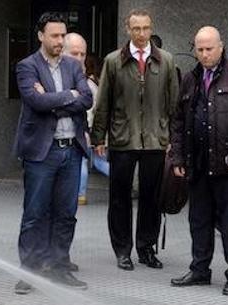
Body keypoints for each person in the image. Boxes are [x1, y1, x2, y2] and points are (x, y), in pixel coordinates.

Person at [169, 26, 228, 296]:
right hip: (197, 164)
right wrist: (178, 156)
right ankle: (200, 270)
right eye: (200, 49)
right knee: (199, 220)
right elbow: (177, 120)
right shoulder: (190, 78)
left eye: (210, 48)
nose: (205, 54)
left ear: (221, 47)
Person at [91, 8, 179, 272]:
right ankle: (122, 249)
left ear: (151, 29)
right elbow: (103, 101)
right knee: (119, 197)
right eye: (136, 29)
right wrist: (98, 136)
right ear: (128, 30)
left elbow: (173, 104)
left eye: (146, 28)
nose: (142, 34)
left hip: (155, 140)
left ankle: (146, 248)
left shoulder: (166, 60)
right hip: (122, 138)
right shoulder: (113, 61)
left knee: (151, 197)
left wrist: (173, 138)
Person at [13, 13, 92, 294]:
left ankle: (60, 268)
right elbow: (35, 101)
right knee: (34, 214)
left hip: (71, 151)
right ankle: (30, 272)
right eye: (54, 36)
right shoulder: (27, 66)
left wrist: (55, 100)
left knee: (66, 214)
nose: (60, 41)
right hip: (41, 154)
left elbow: (87, 98)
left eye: (62, 35)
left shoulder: (73, 65)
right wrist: (69, 96)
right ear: (41, 36)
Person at [64, 32, 109, 206]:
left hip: (86, 130)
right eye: (75, 54)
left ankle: (80, 194)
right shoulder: (91, 83)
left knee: (85, 162)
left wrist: (90, 131)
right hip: (89, 129)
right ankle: (128, 182)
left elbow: (89, 107)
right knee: (97, 162)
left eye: (82, 54)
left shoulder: (86, 84)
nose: (79, 58)